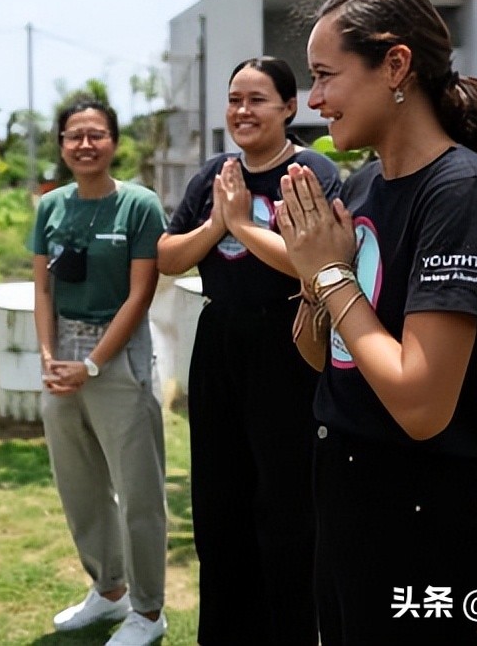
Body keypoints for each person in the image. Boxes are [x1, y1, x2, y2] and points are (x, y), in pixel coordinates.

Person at [276, 0, 477, 645]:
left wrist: (329, 273)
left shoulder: (460, 192)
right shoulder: (364, 184)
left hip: (418, 516)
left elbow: (421, 402)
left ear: (396, 66)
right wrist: (310, 276)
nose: (315, 100)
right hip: (347, 493)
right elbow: (321, 354)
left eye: (326, 75)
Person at [158, 56, 339, 645]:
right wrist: (221, 223)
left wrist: (241, 225)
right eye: (235, 99)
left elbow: (318, 263)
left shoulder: (311, 173)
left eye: (257, 99)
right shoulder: (217, 174)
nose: (242, 110)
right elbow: (168, 256)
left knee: (285, 504)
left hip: (289, 343)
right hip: (220, 342)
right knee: (219, 501)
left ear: (290, 107)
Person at [30, 98, 169, 646]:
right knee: (79, 484)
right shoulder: (51, 206)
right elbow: (42, 287)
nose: (84, 145)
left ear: (114, 141)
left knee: (137, 489)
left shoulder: (139, 205)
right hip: (61, 353)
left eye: (96, 135)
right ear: (61, 145)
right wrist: (49, 357)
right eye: (73, 136)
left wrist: (91, 363)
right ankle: (109, 591)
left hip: (117, 356)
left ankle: (149, 610)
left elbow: (141, 294)